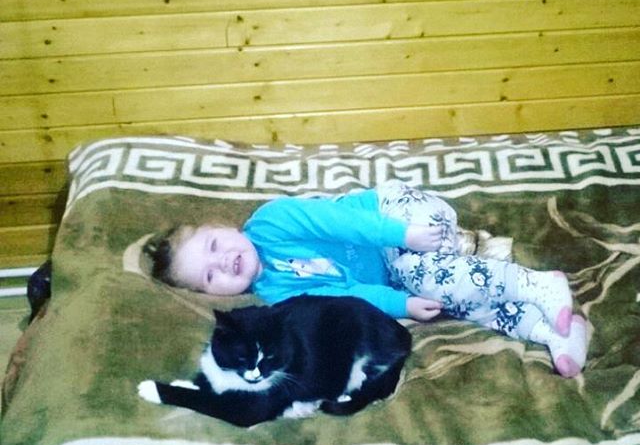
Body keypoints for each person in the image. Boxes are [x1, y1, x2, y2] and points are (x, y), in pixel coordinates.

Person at [144, 181, 587, 378]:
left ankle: (535, 285)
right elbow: (345, 298)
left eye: (215, 245)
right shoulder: (277, 296)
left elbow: (342, 224)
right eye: (210, 275)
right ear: (211, 295)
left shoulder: (272, 221)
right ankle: (551, 331)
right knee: (449, 300)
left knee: (421, 273)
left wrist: (403, 234)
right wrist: (400, 306)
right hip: (396, 272)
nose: (224, 263)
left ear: (224, 226)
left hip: (398, 216)